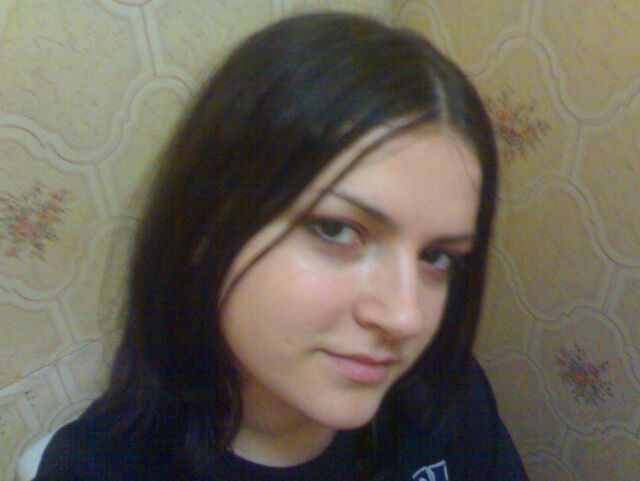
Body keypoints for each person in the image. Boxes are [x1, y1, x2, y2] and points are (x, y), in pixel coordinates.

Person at [34, 12, 527, 481]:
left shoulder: (447, 397)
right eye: (336, 230)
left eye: (436, 257)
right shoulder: (96, 468)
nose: (406, 317)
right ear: (204, 228)